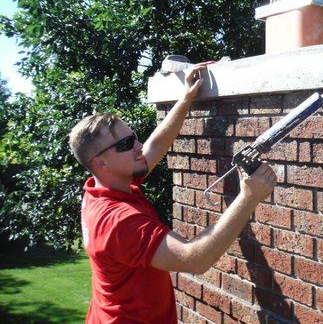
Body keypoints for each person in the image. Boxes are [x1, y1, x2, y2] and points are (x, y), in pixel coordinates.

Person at [68, 62, 277, 323]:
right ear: (100, 163)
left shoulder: (105, 186)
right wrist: (249, 197)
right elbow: (194, 259)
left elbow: (155, 145)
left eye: (133, 137)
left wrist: (186, 98)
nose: (138, 146)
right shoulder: (119, 221)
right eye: (125, 144)